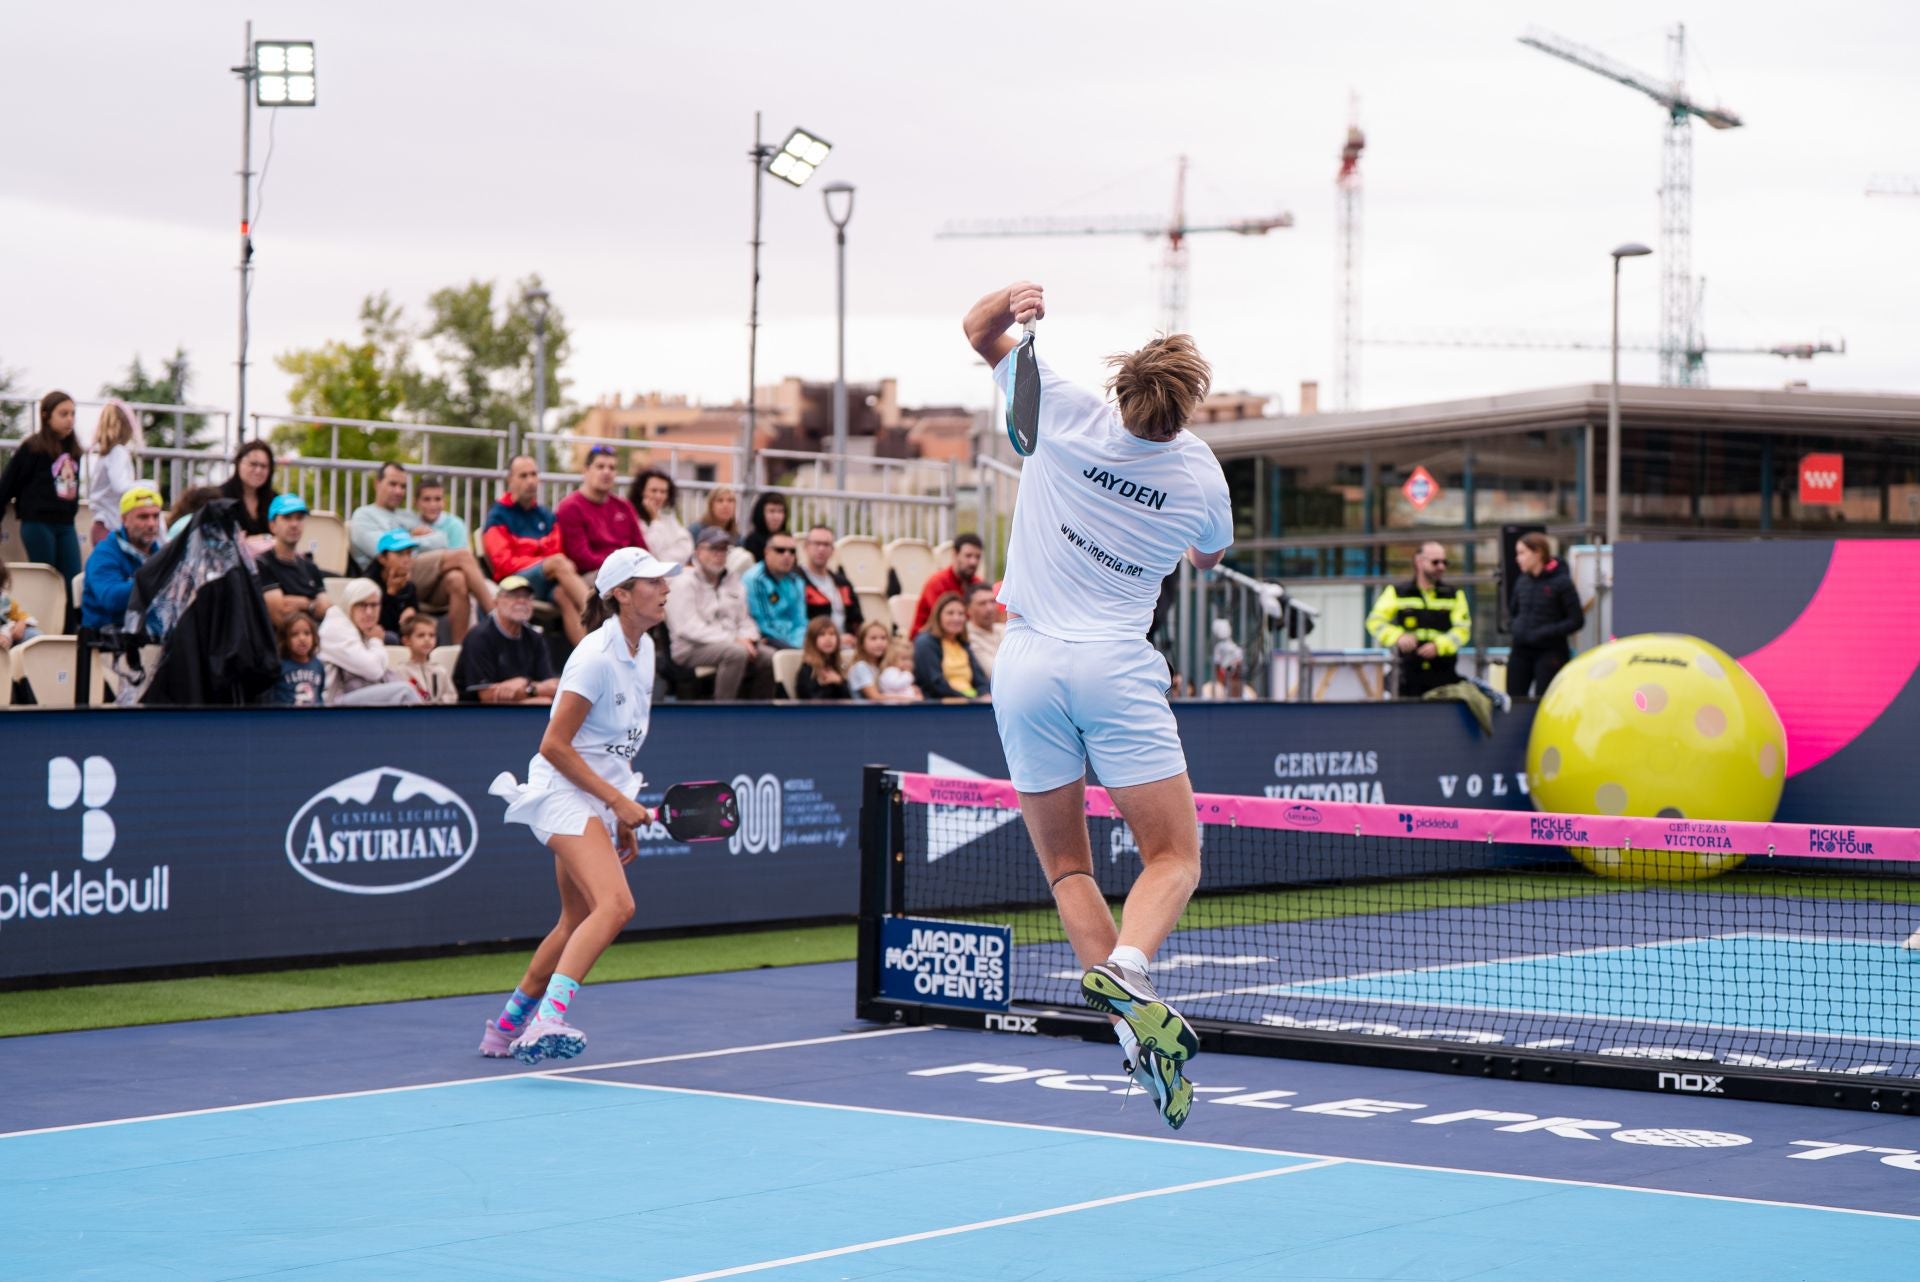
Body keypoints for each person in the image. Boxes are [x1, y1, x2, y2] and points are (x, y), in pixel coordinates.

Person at [962, 279, 1233, 1131]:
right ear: (1187, 408)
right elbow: (1208, 560)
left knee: (1068, 869)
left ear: (1122, 386)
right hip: (1115, 667)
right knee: (1175, 857)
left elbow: (977, 331)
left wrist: (1011, 304)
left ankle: (1131, 1037)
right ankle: (1131, 966)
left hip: (1026, 664)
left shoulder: (1061, 407)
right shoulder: (1199, 472)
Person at [483, 545, 682, 1063]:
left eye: (664, 581)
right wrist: (616, 800)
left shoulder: (647, 650)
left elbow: (614, 748)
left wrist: (620, 809)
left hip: (595, 795)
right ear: (621, 594)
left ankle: (503, 1029)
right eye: (653, 582)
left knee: (575, 920)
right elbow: (554, 744)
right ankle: (547, 1020)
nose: (665, 589)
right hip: (559, 794)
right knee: (616, 905)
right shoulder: (594, 657)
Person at [349, 462, 494, 639]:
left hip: (415, 577)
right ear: (377, 484)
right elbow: (382, 550)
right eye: (393, 484)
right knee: (462, 556)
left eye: (403, 486)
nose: (398, 491)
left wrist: (406, 542)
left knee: (457, 579)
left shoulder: (406, 515)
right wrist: (411, 536)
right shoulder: (363, 515)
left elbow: (440, 539)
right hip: (384, 577)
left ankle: (458, 651)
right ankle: (497, 617)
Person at [482, 455, 589, 646]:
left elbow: (556, 550)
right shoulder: (497, 516)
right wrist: (542, 562)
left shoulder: (545, 515)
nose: (530, 481)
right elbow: (503, 565)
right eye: (523, 476)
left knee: (564, 594)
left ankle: (589, 657)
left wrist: (544, 562)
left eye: (534, 475)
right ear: (510, 480)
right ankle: (601, 616)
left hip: (546, 579)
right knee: (558, 563)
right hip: (514, 581)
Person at [663, 526, 776, 700]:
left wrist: (749, 638)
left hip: (731, 642)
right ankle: (722, 711)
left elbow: (744, 619)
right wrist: (734, 639)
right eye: (714, 548)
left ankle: (759, 715)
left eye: (724, 549)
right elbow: (687, 628)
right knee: (736, 654)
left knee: (769, 657)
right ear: (698, 551)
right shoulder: (682, 582)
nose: (720, 554)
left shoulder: (733, 580)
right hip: (690, 648)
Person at [0, 390, 84, 589]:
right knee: (45, 580)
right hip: (38, 524)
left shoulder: (73, 450)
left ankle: (71, 621)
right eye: (63, 414)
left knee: (72, 580)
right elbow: (7, 485)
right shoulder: (32, 448)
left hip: (65, 524)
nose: (70, 420)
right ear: (46, 416)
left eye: (73, 414)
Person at [1366, 540, 1471, 698]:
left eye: (1444, 562)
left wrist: (1439, 646)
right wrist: (1398, 636)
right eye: (1435, 562)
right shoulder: (1397, 592)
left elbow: (1463, 630)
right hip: (1407, 674)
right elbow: (1375, 622)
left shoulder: (1454, 595)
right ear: (1419, 562)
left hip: (1443, 674)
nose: (1441, 567)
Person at [454, 574, 561, 704]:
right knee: (542, 702)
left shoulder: (535, 637)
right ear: (496, 601)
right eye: (513, 596)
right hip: (477, 714)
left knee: (545, 702)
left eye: (527, 597)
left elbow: (552, 686)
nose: (521, 601)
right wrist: (532, 690)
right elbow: (487, 695)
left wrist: (524, 683)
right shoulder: (479, 637)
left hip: (519, 707)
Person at [317, 579, 424, 706]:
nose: (369, 612)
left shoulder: (360, 626)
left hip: (355, 693)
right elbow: (373, 670)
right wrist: (376, 641)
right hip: (331, 705)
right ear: (349, 605)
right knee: (404, 692)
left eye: (374, 605)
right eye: (362, 605)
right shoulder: (336, 628)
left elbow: (381, 666)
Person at [1507, 532, 1585, 698]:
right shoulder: (1522, 581)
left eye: (1522, 553)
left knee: (1544, 700)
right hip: (1520, 650)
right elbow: (1513, 612)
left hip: (1550, 651)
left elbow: (1576, 620)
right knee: (1513, 700)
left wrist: (1544, 632)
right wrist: (1515, 628)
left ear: (1538, 552)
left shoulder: (1562, 582)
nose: (1518, 559)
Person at [79, 486, 165, 630]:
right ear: (124, 519)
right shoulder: (104, 553)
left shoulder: (160, 553)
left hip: (149, 635)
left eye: (155, 516)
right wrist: (155, 581)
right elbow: (111, 599)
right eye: (143, 517)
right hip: (109, 640)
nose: (151, 524)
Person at [556, 445, 647, 576]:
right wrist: (623, 568)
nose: (606, 472)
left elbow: (641, 548)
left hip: (628, 572)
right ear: (586, 470)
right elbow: (581, 558)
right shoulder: (570, 507)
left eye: (612, 468)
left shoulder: (624, 506)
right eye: (600, 466)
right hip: (593, 575)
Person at [254, 494, 332, 627]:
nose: (294, 524)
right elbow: (280, 615)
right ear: (272, 525)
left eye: (299, 518)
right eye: (287, 518)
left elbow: (325, 608)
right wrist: (312, 604)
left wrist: (303, 603)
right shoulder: (262, 563)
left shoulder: (310, 566)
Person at [912, 590, 989, 700]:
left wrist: (984, 694)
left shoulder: (963, 644)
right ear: (938, 616)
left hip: (971, 702)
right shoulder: (925, 642)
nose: (956, 618)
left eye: (961, 614)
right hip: (944, 706)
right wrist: (971, 700)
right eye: (950, 613)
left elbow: (980, 679)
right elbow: (935, 684)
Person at [86, 400, 142, 547]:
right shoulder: (118, 452)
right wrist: (145, 486)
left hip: (101, 526)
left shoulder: (105, 455)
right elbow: (120, 486)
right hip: (110, 527)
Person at [741, 531, 807, 649]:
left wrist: (801, 643)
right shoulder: (755, 580)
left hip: (795, 640)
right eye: (780, 550)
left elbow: (801, 621)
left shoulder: (796, 581)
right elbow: (765, 625)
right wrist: (796, 647)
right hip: (769, 639)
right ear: (767, 552)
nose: (787, 555)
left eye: (792, 551)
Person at [910, 531, 985, 635]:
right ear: (955, 554)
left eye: (977, 557)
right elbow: (945, 621)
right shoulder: (937, 582)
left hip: (962, 639)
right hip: (931, 640)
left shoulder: (978, 583)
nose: (973, 562)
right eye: (968, 556)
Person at [798, 523, 864, 636]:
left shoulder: (843, 583)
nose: (821, 549)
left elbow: (857, 620)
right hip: (812, 644)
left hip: (847, 645)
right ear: (806, 547)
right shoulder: (795, 579)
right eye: (816, 543)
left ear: (832, 550)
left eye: (826, 544)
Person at [218, 439, 280, 549]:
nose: (258, 471)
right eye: (253, 464)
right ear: (238, 464)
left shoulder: (275, 500)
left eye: (264, 466)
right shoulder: (220, 497)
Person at [367, 529, 423, 643]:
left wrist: (412, 613)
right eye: (400, 554)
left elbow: (414, 615)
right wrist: (391, 593)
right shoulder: (368, 584)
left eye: (409, 553)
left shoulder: (409, 585)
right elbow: (374, 623)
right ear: (382, 558)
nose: (407, 560)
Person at [630, 468, 693, 565]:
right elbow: (648, 551)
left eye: (663, 492)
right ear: (641, 491)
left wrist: (662, 560)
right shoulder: (632, 517)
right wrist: (655, 519)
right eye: (654, 491)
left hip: (672, 573)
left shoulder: (669, 517)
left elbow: (686, 547)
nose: (658, 496)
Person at [260, 613, 325, 707]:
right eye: (294, 634)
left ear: (314, 636)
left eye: (307, 633)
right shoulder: (279, 666)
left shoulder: (318, 665)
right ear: (285, 639)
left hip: (313, 718)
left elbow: (319, 694)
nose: (302, 638)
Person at [397, 615, 456, 704]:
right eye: (421, 635)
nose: (427, 639)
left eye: (431, 635)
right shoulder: (401, 671)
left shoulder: (440, 670)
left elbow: (451, 695)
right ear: (406, 641)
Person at [793, 617, 850, 700]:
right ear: (812, 640)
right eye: (822, 634)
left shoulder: (837, 665)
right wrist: (823, 685)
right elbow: (810, 700)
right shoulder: (808, 668)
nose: (828, 639)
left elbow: (849, 700)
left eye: (832, 634)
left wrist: (840, 682)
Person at [414, 476, 469, 557]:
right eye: (426, 499)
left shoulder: (455, 525)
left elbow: (458, 558)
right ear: (416, 502)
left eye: (437, 499)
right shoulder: (411, 522)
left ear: (444, 501)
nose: (433, 505)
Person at [845, 619, 896, 702]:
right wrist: (908, 699)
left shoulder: (882, 667)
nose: (879, 642)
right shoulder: (860, 667)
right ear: (862, 643)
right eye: (873, 638)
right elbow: (875, 697)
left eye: (883, 638)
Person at [0, 561, 44, 654]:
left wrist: (21, 624)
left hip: (7, 643)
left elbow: (22, 616)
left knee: (33, 635)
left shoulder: (4, 601)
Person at [964, 581, 1006, 679]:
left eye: (992, 601)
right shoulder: (967, 636)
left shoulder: (1004, 629)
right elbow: (995, 673)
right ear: (968, 609)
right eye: (982, 603)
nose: (990, 608)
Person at [741, 492, 787, 563]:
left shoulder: (787, 540)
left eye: (780, 511)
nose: (776, 517)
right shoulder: (753, 541)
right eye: (771, 511)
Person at [877, 636, 923, 701]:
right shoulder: (890, 672)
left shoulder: (901, 673)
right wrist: (908, 674)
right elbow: (897, 685)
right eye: (904, 659)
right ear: (892, 659)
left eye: (910, 659)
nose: (908, 662)